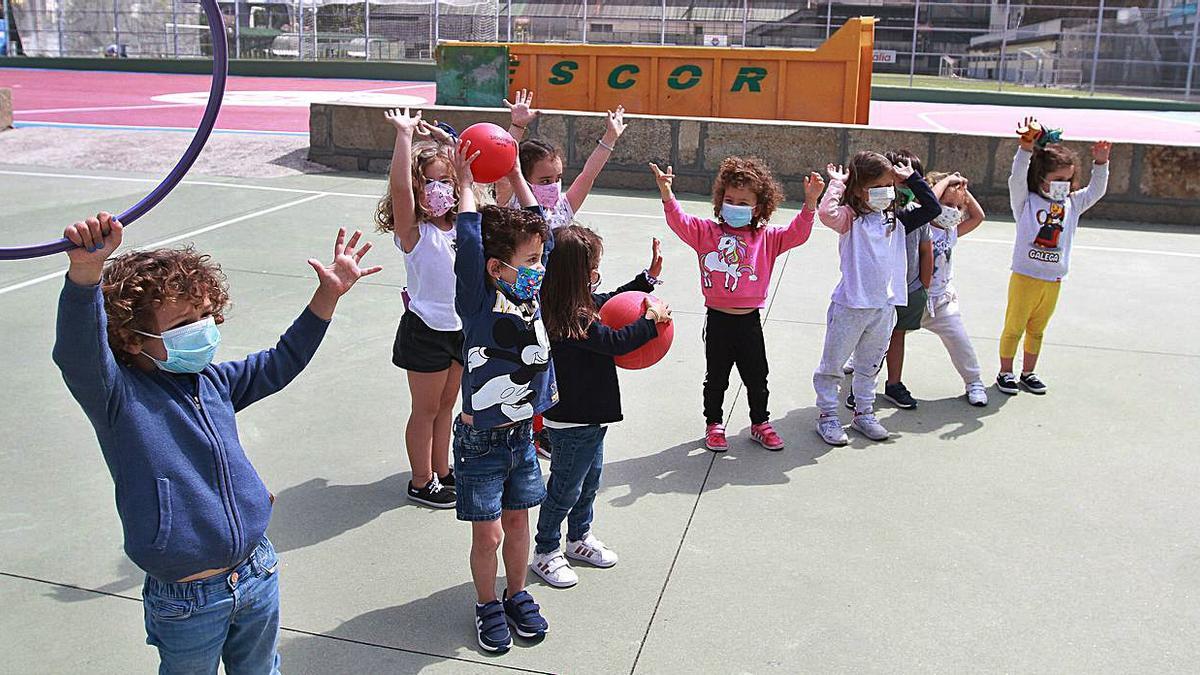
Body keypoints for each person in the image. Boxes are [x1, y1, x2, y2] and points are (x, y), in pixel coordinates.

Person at [53, 212, 379, 673]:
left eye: (206, 315)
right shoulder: (117, 397)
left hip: (257, 570)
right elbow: (77, 353)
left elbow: (281, 361)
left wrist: (327, 296)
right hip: (187, 599)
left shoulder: (213, 381)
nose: (203, 329)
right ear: (129, 338)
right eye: (185, 321)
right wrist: (85, 275)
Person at [451, 140, 555, 653]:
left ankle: (516, 594)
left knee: (519, 525)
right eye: (529, 260)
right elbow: (470, 245)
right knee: (487, 535)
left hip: (521, 439)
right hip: (481, 442)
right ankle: (486, 603)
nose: (540, 265)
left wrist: (516, 173)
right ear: (496, 268)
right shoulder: (478, 298)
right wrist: (466, 188)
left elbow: (543, 227)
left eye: (539, 259)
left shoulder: (528, 289)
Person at [651, 157, 822, 452]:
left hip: (749, 322)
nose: (735, 206)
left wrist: (810, 204)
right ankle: (714, 424)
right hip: (718, 320)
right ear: (720, 200)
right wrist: (667, 193)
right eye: (729, 200)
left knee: (757, 376)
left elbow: (798, 233)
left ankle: (760, 422)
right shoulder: (707, 232)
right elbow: (680, 221)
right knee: (716, 377)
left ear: (758, 207)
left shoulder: (766, 237)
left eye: (743, 202)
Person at [531, 228, 671, 588]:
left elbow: (609, 298)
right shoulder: (570, 318)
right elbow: (618, 341)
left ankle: (578, 537)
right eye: (593, 268)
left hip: (591, 417)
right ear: (578, 276)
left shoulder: (573, 304)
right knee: (565, 487)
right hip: (573, 421)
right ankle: (545, 551)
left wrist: (646, 281)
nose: (597, 276)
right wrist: (651, 320)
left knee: (588, 482)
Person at [813, 151, 940, 445]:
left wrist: (912, 178)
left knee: (869, 365)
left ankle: (864, 413)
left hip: (883, 307)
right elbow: (826, 214)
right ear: (859, 190)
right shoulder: (850, 218)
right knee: (832, 366)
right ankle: (828, 416)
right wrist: (838, 184)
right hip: (850, 306)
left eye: (889, 186)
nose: (885, 193)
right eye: (877, 187)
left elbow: (932, 208)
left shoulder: (897, 219)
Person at [998, 117, 1111, 395]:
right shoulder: (1026, 201)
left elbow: (1096, 191)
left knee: (1037, 329)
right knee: (1014, 327)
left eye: (1069, 179)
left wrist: (1101, 163)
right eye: (1058, 180)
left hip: (1053, 279)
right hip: (1026, 276)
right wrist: (1025, 149)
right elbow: (1016, 178)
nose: (1065, 184)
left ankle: (1028, 372)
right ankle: (1005, 372)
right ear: (1040, 179)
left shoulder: (1073, 203)